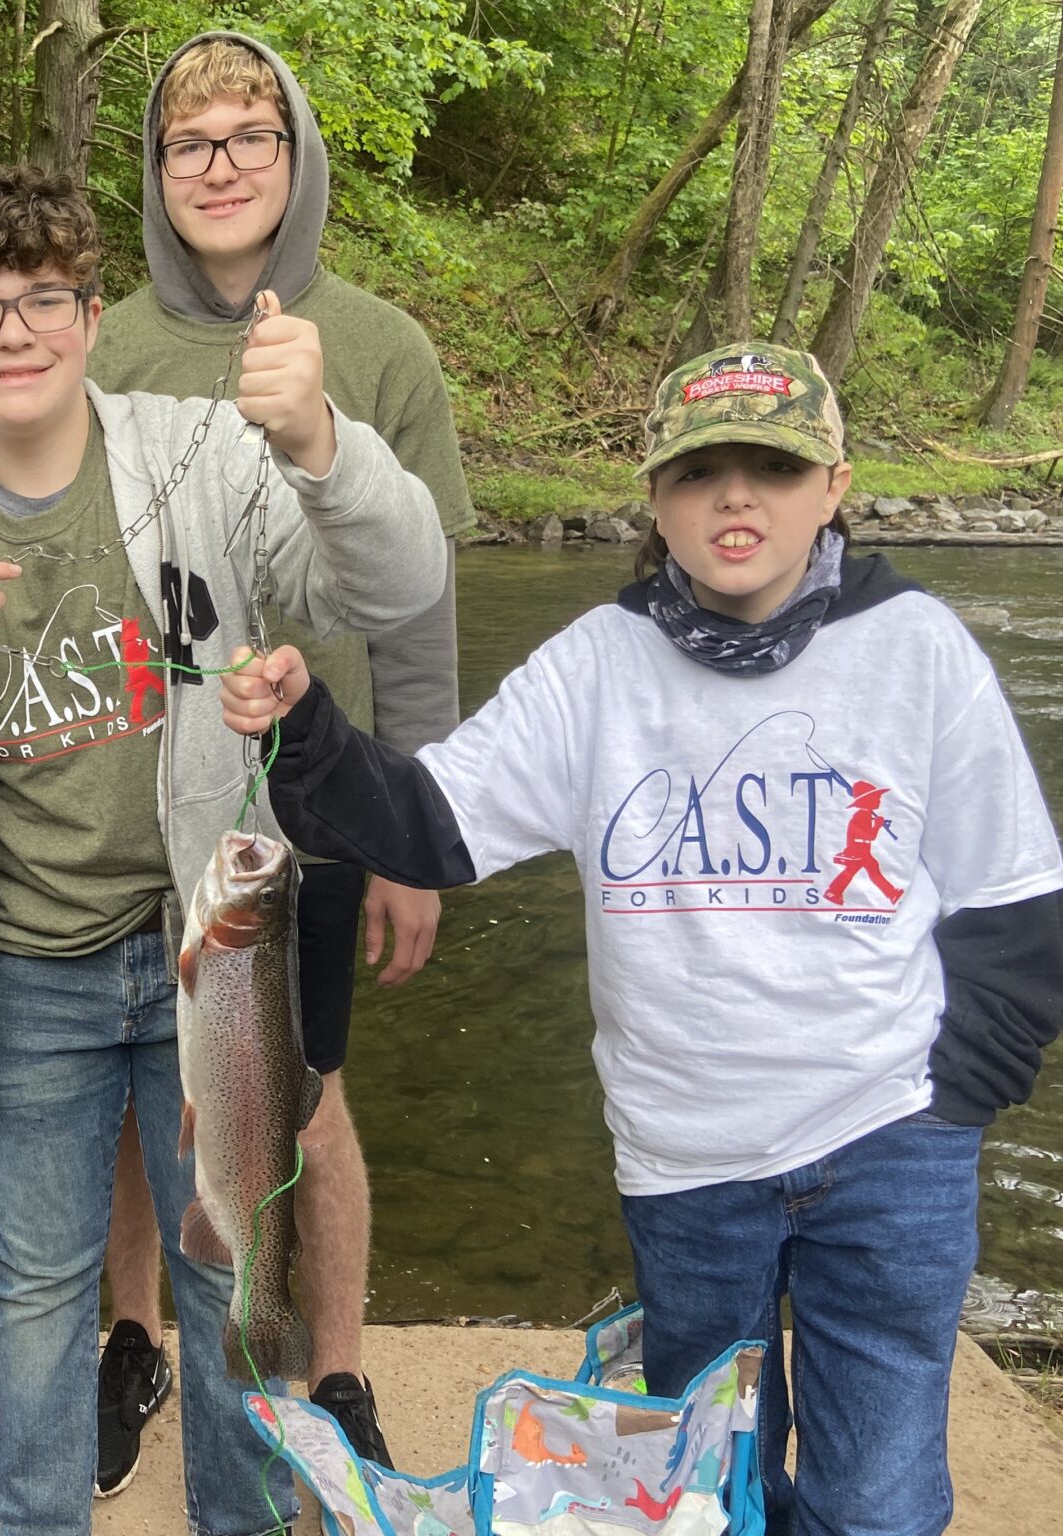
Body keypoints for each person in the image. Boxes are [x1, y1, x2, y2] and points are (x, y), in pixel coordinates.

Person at [220, 343, 1063, 1536]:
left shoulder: (917, 649)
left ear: (832, 483)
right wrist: (303, 728)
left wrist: (950, 1101)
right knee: (700, 1489)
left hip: (888, 1145)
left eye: (769, 467)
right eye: (699, 471)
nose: (734, 498)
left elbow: (1014, 904)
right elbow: (423, 825)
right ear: (654, 500)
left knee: (873, 1498)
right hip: (682, 1164)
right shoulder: (595, 669)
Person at [0, 162, 445, 1536]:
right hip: (21, 972)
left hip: (213, 960)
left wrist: (323, 438)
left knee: (231, 1268)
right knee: (37, 1281)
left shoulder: (198, 456)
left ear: (94, 314)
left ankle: (243, 1517)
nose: (12, 331)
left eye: (43, 297)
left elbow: (399, 582)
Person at [85, 31, 478, 1482]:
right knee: (146, 1083)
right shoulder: (102, 342)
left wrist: (415, 837)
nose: (224, 166)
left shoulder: (381, 345)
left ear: (298, 156)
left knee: (308, 1097)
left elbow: (423, 599)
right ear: (156, 172)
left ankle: (338, 1367)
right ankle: (133, 1340)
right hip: (116, 790)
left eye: (253, 136)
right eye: (193, 144)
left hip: (308, 802)